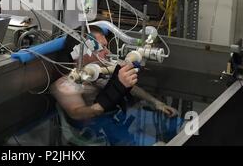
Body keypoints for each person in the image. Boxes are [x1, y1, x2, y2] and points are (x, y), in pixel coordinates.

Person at [50, 25, 179, 145]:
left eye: (106, 46)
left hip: (119, 116)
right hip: (97, 129)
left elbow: (130, 87)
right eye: (101, 48)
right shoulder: (66, 84)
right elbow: (78, 114)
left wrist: (156, 103)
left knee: (178, 124)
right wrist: (116, 89)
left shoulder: (102, 70)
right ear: (82, 51)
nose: (107, 52)